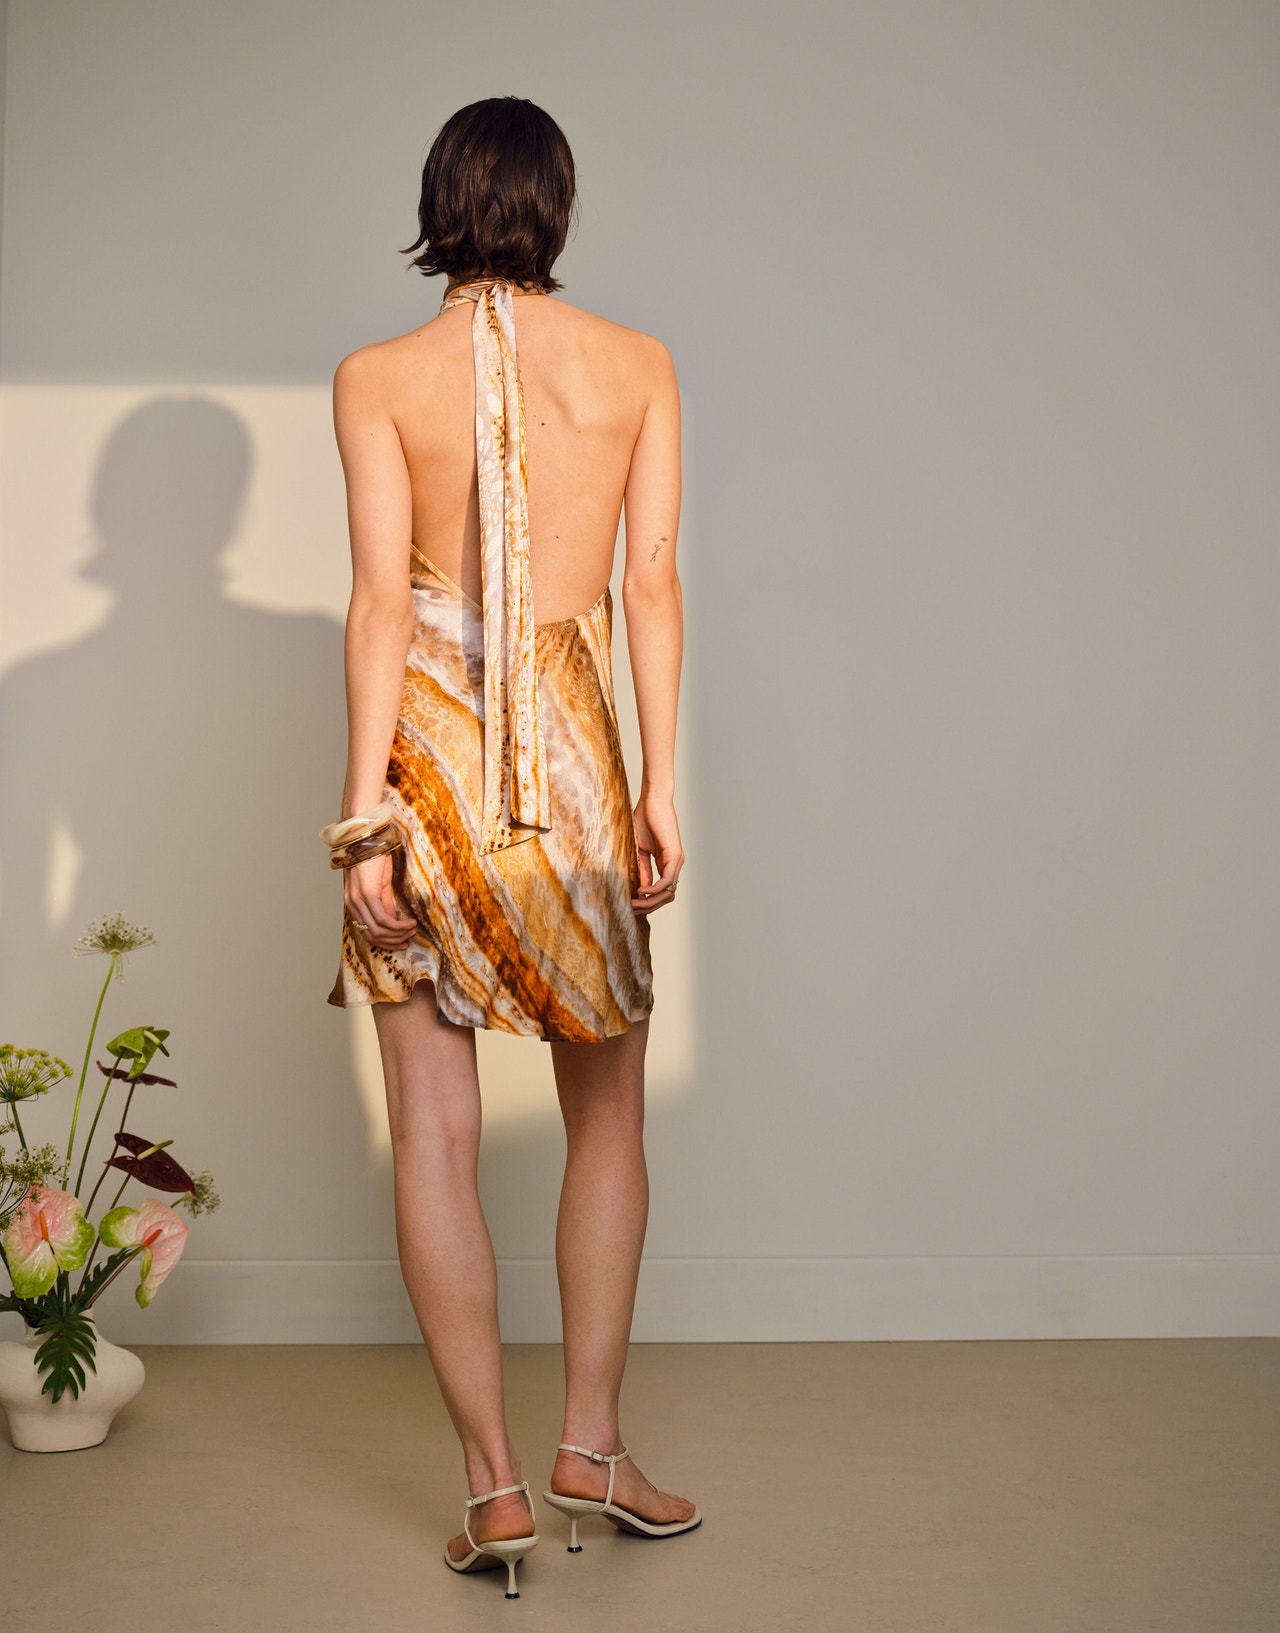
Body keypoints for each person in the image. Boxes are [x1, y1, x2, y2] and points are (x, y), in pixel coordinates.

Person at [321, 96, 698, 1598]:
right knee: (608, 1117)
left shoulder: (375, 377)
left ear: (440, 203)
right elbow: (652, 586)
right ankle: (591, 1447)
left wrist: (363, 818)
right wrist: (661, 783)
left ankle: (491, 1488)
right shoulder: (638, 364)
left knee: (434, 1134)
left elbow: (377, 601)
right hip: (578, 767)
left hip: (425, 765)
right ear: (557, 206)